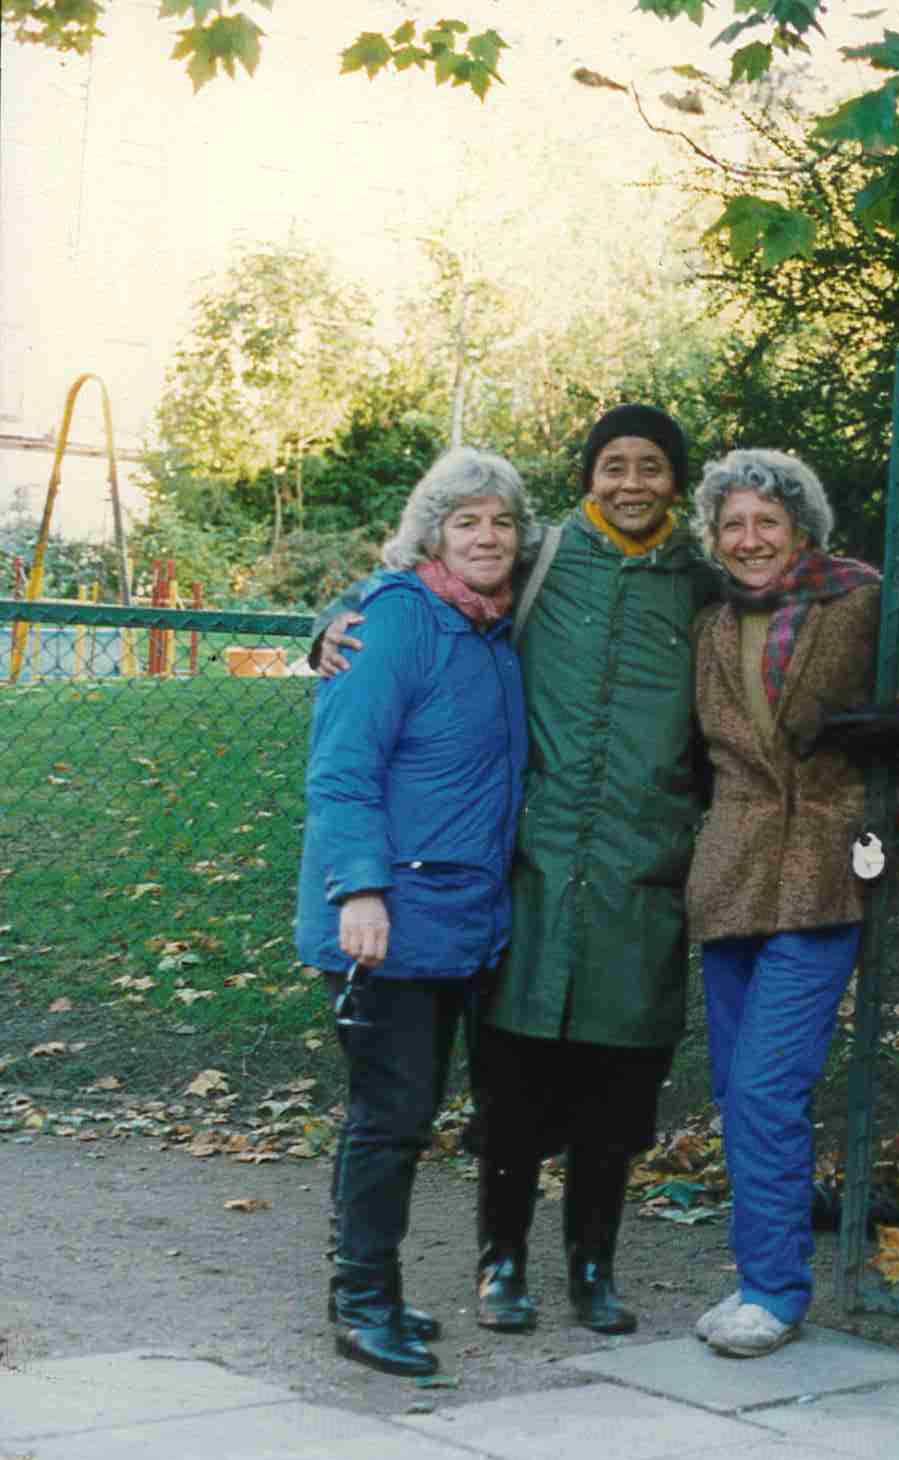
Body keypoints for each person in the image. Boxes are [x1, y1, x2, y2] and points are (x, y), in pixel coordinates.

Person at [315, 403, 720, 1337]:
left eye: (650, 467)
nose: (630, 483)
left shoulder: (697, 584)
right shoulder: (539, 560)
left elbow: (776, 605)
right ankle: (501, 1265)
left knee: (616, 1097)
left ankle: (593, 1266)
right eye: (612, 464)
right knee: (512, 1094)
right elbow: (410, 584)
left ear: (674, 481)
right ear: (588, 475)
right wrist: (327, 620)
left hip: (638, 876)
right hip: (526, 876)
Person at [683, 448, 899, 1358]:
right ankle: (758, 1272)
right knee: (738, 1091)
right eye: (732, 525)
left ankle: (773, 1290)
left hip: (825, 870)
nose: (749, 538)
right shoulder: (710, 625)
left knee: (768, 1086)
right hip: (730, 872)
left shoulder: (864, 600)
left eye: (766, 521)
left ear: (801, 526)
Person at [295, 447, 534, 1376]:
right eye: (465, 521)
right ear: (430, 534)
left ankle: (375, 1288)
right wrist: (358, 886)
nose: (486, 536)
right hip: (383, 915)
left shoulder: (488, 628)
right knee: (390, 1114)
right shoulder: (395, 621)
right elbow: (344, 764)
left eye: (502, 522)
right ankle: (361, 1301)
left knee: (411, 1108)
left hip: (455, 916)